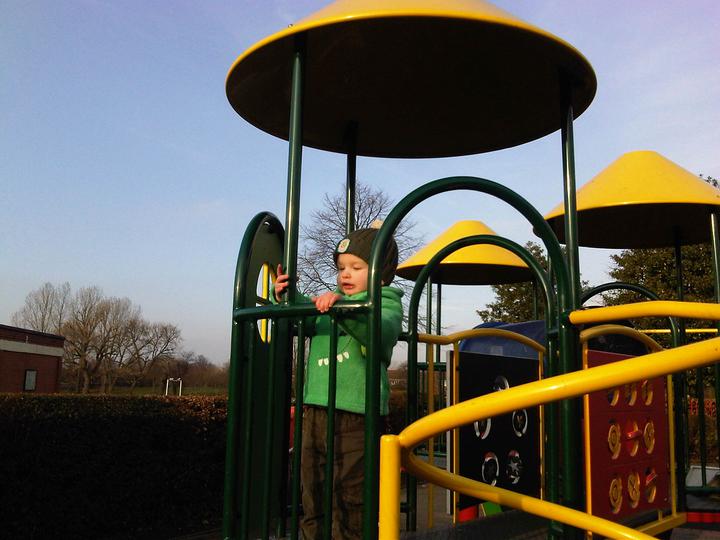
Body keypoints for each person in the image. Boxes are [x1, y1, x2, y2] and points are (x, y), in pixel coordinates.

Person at [274, 225, 404, 540]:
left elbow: (382, 330)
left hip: (357, 416)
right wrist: (288, 296)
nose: (345, 274)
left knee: (352, 500)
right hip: (315, 412)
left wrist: (343, 309)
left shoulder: (386, 302)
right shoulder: (331, 304)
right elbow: (306, 318)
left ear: (381, 275)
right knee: (313, 493)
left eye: (356, 267)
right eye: (341, 267)